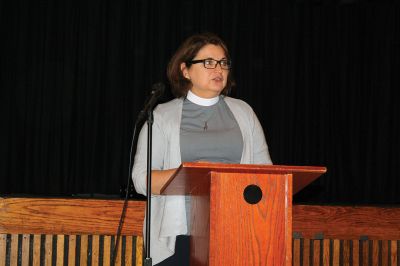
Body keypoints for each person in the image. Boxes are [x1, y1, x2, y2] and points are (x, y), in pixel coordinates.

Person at [132, 32, 272, 265]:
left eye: (224, 63)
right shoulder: (162, 116)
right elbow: (140, 179)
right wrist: (192, 175)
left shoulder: (244, 112)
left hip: (235, 230)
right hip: (180, 235)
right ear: (185, 70)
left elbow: (267, 174)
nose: (219, 69)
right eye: (209, 62)